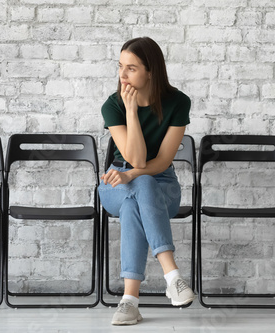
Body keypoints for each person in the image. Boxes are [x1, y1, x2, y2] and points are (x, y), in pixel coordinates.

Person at [98, 36, 195, 326]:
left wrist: (134, 175)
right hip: (116, 180)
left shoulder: (178, 102)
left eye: (131, 68)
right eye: (120, 67)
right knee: (137, 187)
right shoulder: (113, 106)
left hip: (162, 182)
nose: (122, 75)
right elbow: (136, 160)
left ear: (150, 70)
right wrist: (131, 112)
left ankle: (130, 301)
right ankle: (173, 276)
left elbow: (162, 162)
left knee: (137, 197)